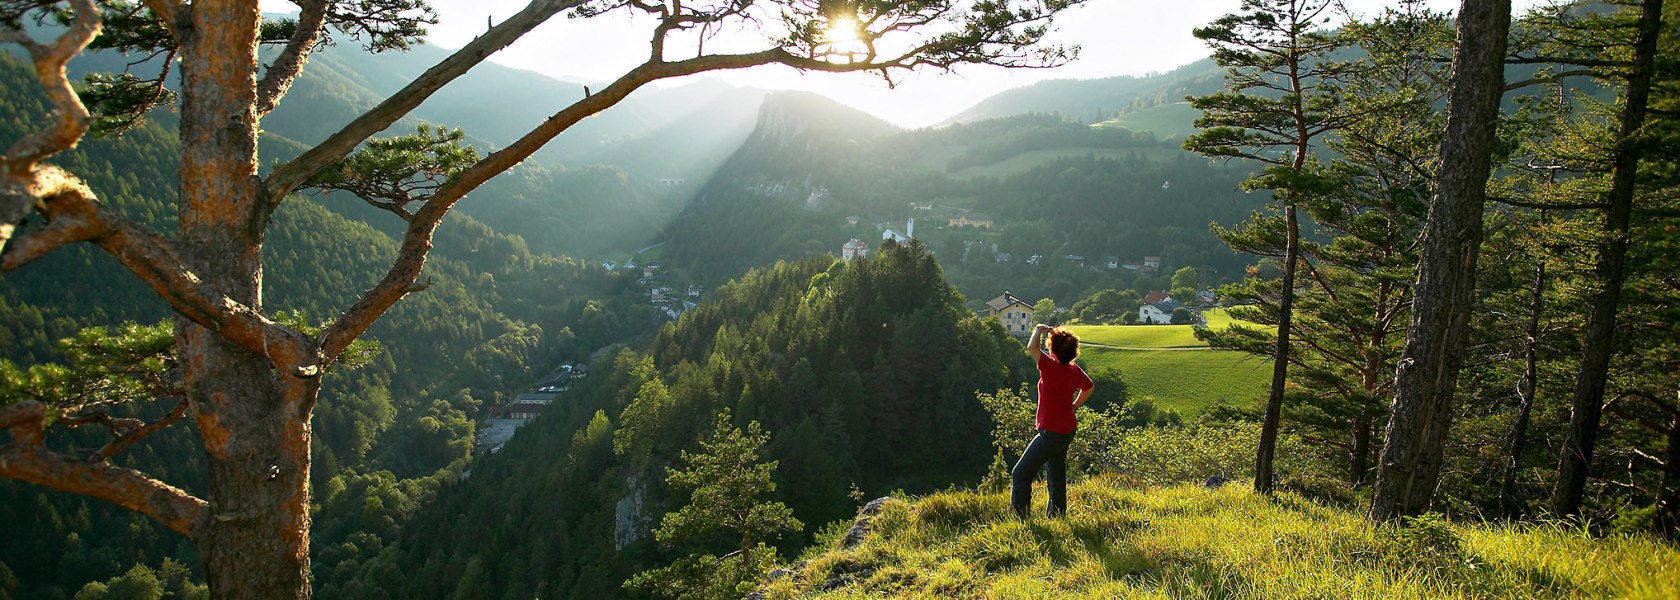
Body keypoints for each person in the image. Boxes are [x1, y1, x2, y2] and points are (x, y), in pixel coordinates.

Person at [1012, 323, 1094, 519]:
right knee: (1056, 474)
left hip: (1051, 433)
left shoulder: (1049, 367)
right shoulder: (1073, 370)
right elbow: (1089, 387)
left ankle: (1019, 519)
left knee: (1020, 474)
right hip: (1067, 429)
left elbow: (1031, 348)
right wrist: (1074, 406)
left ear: (1052, 349)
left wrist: (1038, 330)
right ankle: (1057, 516)